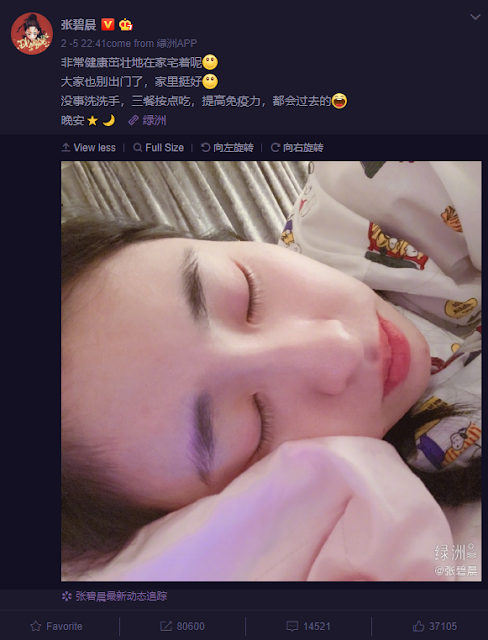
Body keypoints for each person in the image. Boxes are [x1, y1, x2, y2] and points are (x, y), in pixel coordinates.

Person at [62, 162, 481, 573]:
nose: (339, 346)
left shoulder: (377, 186)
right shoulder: (417, 536)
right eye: (255, 423)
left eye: (247, 295)